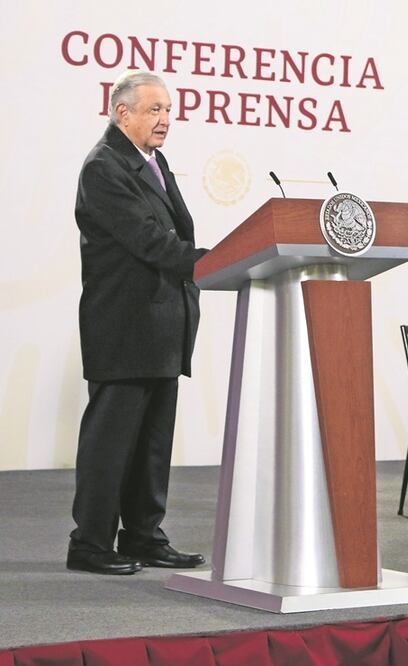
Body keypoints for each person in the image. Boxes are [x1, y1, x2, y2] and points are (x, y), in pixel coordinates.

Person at [69, 71, 208, 575]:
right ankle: (89, 543)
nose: (165, 119)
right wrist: (216, 263)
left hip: (162, 324)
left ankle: (143, 536)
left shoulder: (152, 161)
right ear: (121, 112)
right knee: (111, 443)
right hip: (124, 325)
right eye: (154, 109)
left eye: (168, 109)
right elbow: (150, 242)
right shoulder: (104, 167)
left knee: (152, 442)